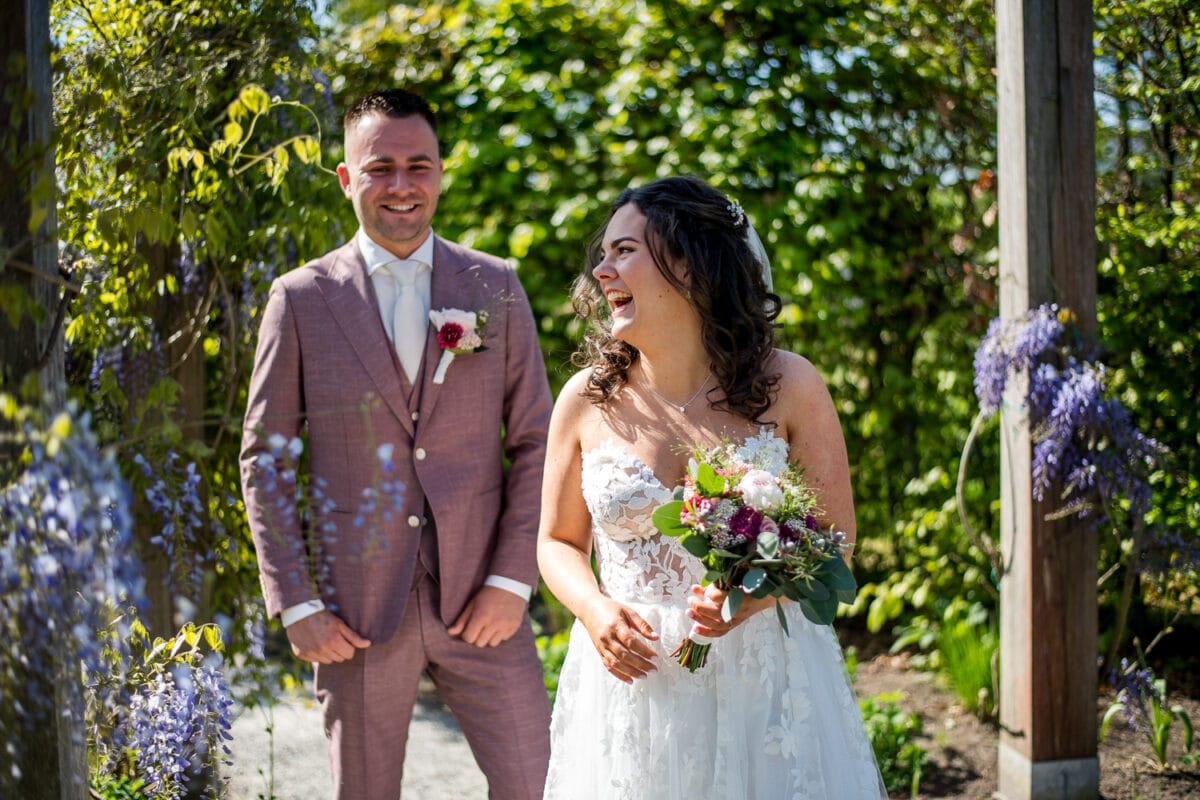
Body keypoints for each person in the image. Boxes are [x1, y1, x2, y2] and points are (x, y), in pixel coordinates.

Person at [240, 88, 553, 799]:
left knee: (537, 781)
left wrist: (511, 581)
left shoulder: (495, 286)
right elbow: (266, 459)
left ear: (442, 172)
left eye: (420, 166)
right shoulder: (300, 299)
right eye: (381, 168)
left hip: (484, 599)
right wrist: (296, 602)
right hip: (354, 611)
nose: (402, 186)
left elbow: (537, 442)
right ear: (348, 178)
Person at [537, 176, 887, 799]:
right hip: (630, 686)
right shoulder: (586, 399)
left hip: (761, 683)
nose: (601, 271)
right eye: (603, 253)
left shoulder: (791, 386)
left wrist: (751, 599)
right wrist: (593, 610)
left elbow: (837, 546)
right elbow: (557, 542)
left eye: (623, 251)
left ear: (689, 264)